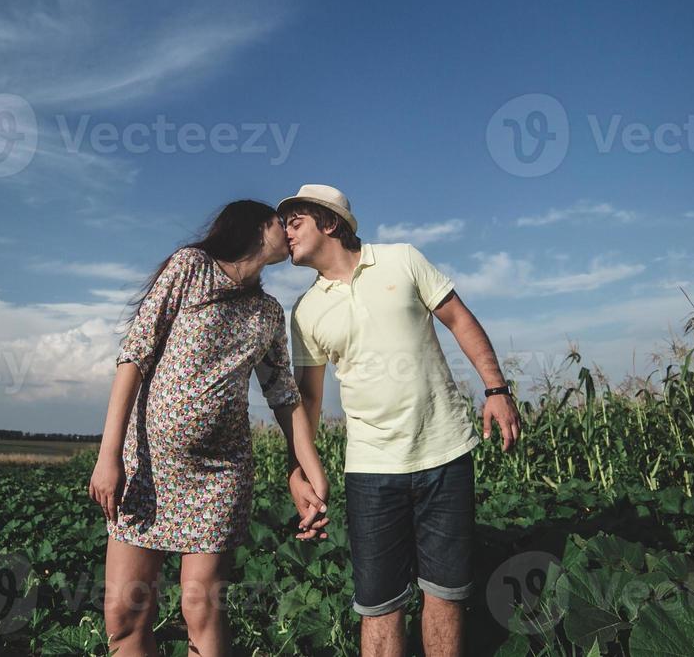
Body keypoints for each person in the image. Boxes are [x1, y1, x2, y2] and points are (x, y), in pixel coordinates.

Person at [278, 183, 521, 657]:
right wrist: (297, 469)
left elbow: (459, 319)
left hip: (444, 452)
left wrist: (496, 389)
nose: (284, 232)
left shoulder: (403, 259)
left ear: (329, 223)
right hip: (370, 469)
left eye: (295, 222)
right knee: (378, 606)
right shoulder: (305, 311)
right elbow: (306, 401)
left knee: (445, 596)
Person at [89, 199, 331, 657]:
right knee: (123, 616)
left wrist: (310, 470)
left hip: (220, 477)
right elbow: (134, 357)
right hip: (148, 470)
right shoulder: (190, 268)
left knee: (201, 607)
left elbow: (285, 397)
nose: (292, 232)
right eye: (283, 223)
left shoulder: (267, 313)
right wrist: (109, 456)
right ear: (258, 226)